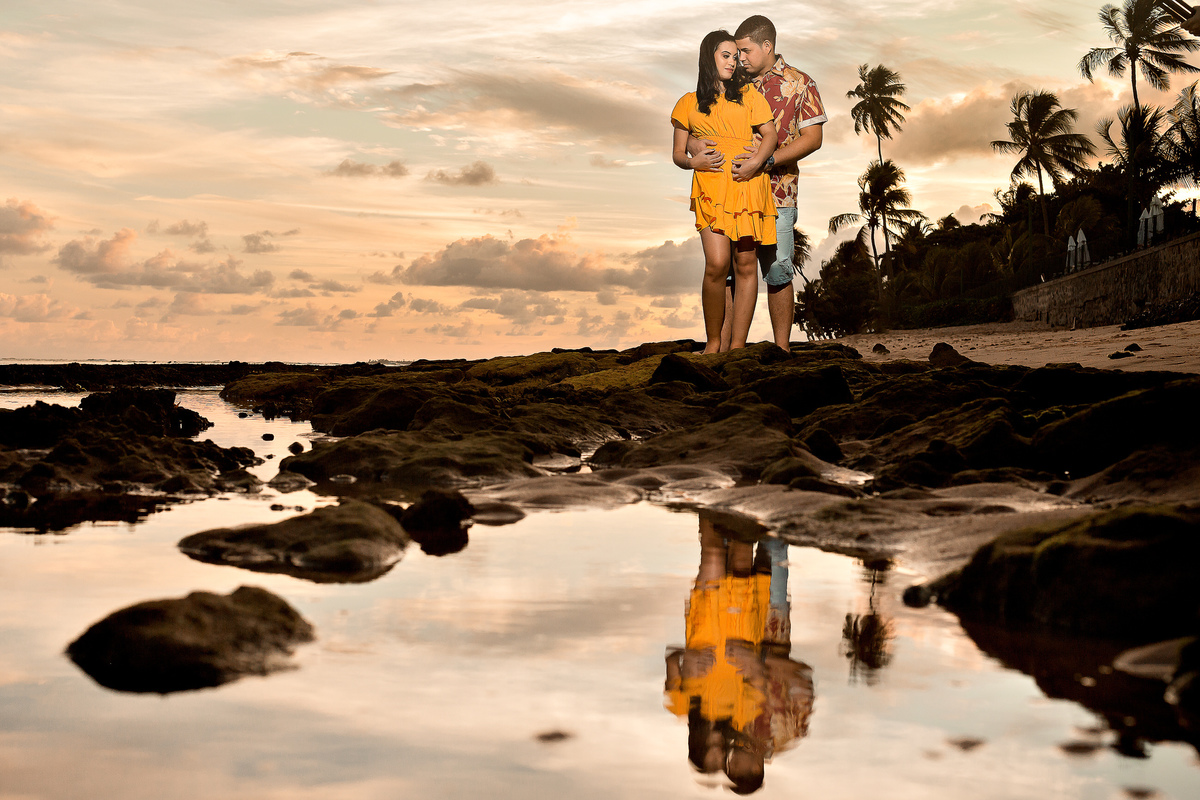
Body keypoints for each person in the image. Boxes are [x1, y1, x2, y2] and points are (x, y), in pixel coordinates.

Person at [690, 16, 826, 351]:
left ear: (767, 46)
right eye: (735, 53)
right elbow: (695, 123)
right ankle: (723, 351)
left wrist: (765, 160)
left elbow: (813, 138)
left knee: (778, 270)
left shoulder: (801, 83)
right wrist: (694, 147)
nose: (740, 58)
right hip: (730, 190)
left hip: (778, 191)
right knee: (728, 271)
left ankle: (782, 351)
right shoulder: (729, 79)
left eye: (746, 51)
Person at [672, 31, 778, 354]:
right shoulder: (688, 102)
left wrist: (755, 163)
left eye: (735, 57)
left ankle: (737, 346)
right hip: (711, 186)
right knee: (717, 264)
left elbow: (770, 135)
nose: (734, 62)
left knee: (745, 264)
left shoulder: (748, 96)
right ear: (709, 57)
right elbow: (677, 154)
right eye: (726, 55)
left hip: (747, 184)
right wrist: (693, 162)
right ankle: (713, 342)